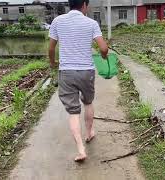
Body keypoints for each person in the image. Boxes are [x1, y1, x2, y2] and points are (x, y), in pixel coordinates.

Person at [48, 0, 108, 162]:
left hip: (66, 71)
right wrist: (103, 57)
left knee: (73, 111)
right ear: (84, 5)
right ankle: (89, 133)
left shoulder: (57, 21)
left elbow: (51, 48)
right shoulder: (91, 23)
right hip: (86, 71)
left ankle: (81, 150)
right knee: (88, 102)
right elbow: (103, 48)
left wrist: (53, 63)